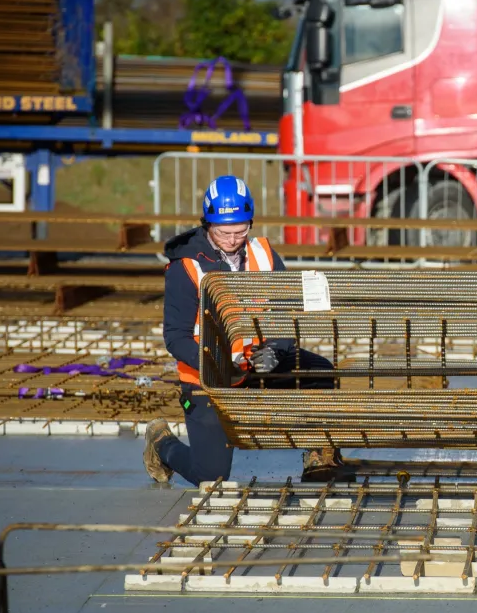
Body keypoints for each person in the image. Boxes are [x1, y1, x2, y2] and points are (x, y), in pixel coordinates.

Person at [143, 175, 340, 485]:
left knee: (320, 371)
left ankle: (319, 454)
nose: (233, 240)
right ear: (208, 225)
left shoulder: (263, 255)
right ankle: (161, 444)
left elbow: (286, 314)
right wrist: (216, 364)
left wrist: (277, 349)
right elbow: (176, 337)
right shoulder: (186, 267)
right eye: (224, 233)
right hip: (207, 377)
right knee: (211, 475)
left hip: (255, 367)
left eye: (241, 231)